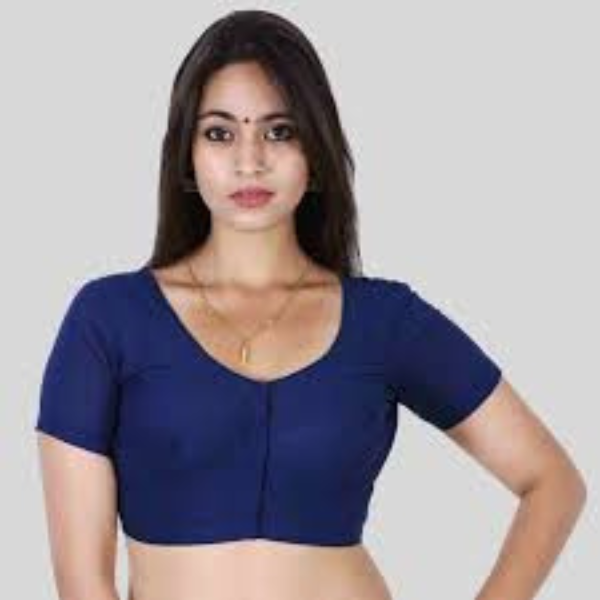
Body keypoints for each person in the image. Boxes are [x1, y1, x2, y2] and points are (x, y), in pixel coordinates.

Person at [35, 9, 587, 600]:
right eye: (220, 132)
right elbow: (83, 584)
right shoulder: (109, 320)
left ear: (316, 151)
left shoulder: (386, 322)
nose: (250, 160)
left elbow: (552, 482)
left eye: (280, 131)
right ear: (186, 155)